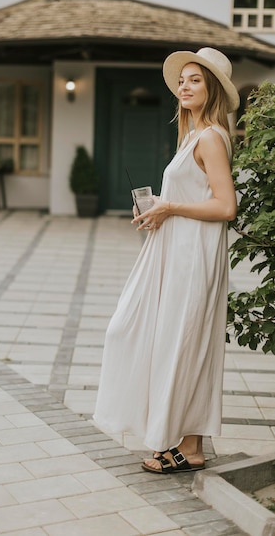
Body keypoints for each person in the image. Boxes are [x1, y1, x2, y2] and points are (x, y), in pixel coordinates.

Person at [93, 47, 239, 475]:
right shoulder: (191, 137)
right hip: (177, 252)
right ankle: (183, 441)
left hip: (194, 257)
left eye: (195, 80)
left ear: (211, 88)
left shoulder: (211, 136)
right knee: (167, 339)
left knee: (186, 343)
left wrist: (170, 207)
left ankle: (190, 448)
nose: (184, 86)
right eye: (182, 80)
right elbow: (192, 196)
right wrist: (159, 206)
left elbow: (226, 206)